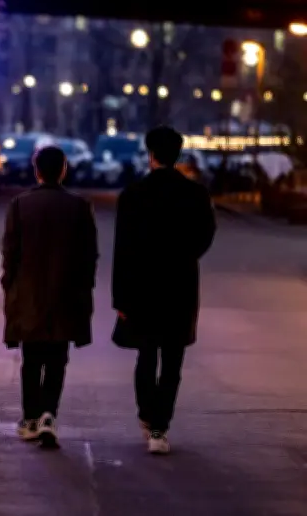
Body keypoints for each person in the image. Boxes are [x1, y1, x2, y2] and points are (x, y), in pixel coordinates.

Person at [112, 126, 216, 455]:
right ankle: (161, 427)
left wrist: (121, 298)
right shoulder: (196, 195)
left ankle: (146, 414)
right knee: (173, 361)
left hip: (142, 287)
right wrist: (185, 257)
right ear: (178, 155)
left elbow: (123, 250)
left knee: (146, 354)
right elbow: (205, 237)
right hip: (180, 286)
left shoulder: (133, 195)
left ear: (151, 154)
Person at [2, 146, 98, 448]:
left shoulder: (20, 205)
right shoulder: (80, 207)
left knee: (31, 359)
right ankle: (48, 414)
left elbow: (10, 254)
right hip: (65, 295)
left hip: (29, 294)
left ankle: (30, 418)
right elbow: (88, 256)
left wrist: (10, 288)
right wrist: (84, 292)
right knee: (58, 358)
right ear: (64, 170)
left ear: (37, 170)